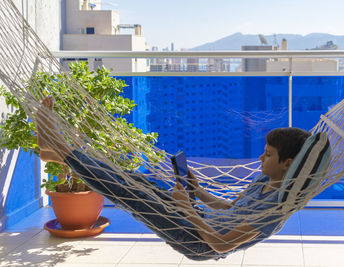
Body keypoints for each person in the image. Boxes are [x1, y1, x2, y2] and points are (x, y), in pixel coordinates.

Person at [36, 97, 311, 261]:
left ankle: (60, 148)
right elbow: (229, 209)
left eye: (268, 154)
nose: (261, 158)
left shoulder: (275, 210)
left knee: (131, 194)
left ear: (287, 163)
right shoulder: (264, 182)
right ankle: (55, 153)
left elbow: (220, 245)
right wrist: (197, 191)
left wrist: (188, 210)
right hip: (201, 220)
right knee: (141, 183)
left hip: (197, 241)